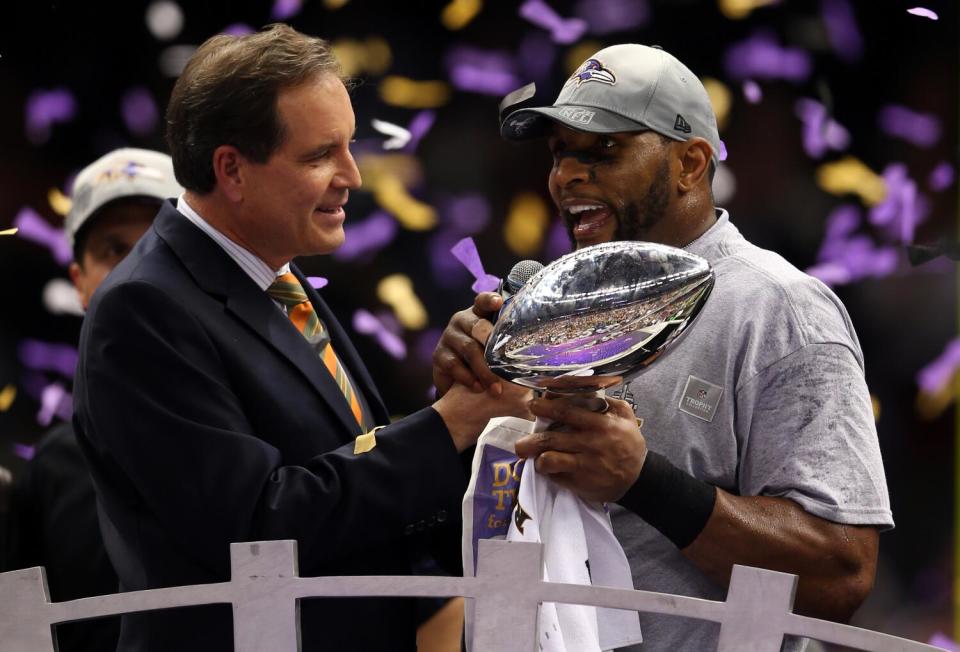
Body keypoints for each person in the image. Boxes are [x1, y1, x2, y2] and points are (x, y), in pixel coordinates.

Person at [72, 24, 529, 652]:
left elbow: (347, 474)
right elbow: (259, 529)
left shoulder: (278, 275)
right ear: (231, 170)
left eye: (349, 147)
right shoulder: (143, 308)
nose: (353, 176)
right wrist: (446, 424)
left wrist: (459, 413)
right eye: (320, 156)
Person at [433, 44, 893, 651]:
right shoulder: (554, 309)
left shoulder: (779, 308)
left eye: (604, 151)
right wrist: (462, 403)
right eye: (560, 153)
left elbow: (842, 572)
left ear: (690, 164)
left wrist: (643, 481)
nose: (568, 175)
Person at [3, 147, 182, 652]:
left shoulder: (278, 422)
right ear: (79, 284)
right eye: (112, 250)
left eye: (158, 243)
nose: (137, 270)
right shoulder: (52, 469)